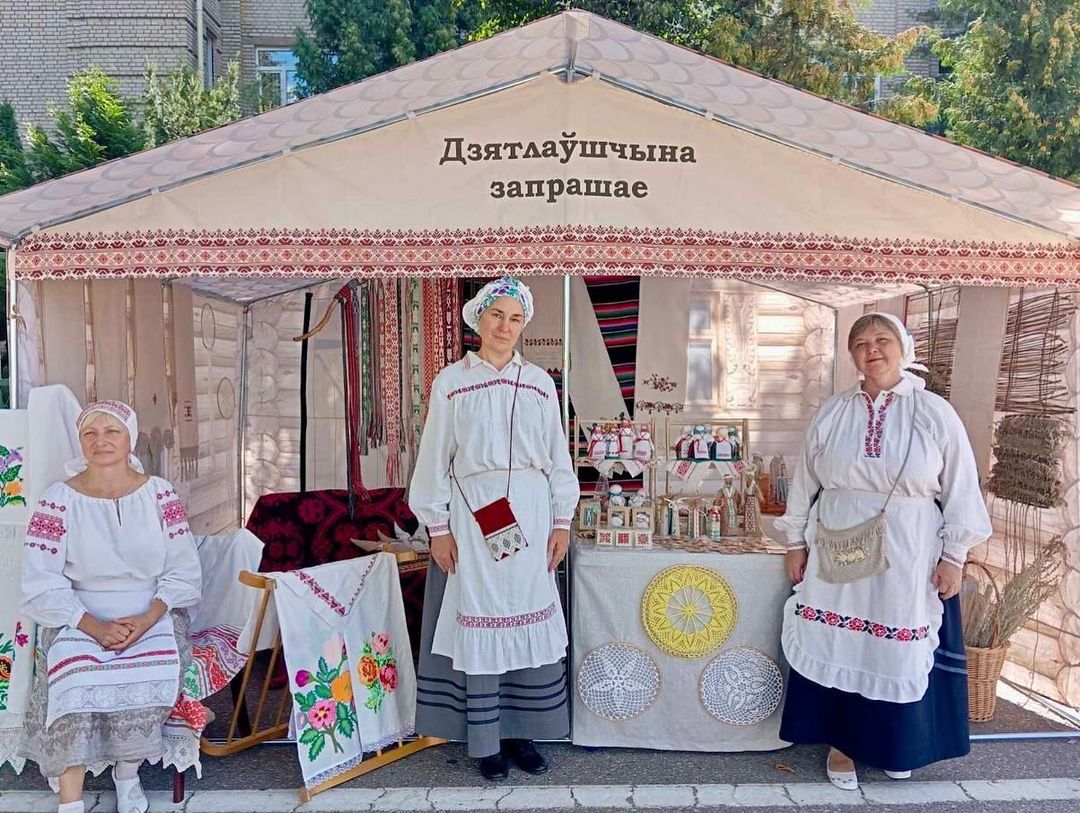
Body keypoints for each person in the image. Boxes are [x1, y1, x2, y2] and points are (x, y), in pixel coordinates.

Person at [775, 312, 991, 790]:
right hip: (838, 541)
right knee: (844, 640)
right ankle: (843, 747)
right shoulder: (833, 411)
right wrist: (794, 541)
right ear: (851, 355)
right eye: (860, 343)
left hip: (909, 548)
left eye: (882, 340)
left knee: (894, 647)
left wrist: (953, 556)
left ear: (903, 347)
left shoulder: (934, 412)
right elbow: (804, 480)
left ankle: (897, 745)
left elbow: (960, 487)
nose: (871, 349)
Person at [409, 277, 579, 781]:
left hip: (529, 510)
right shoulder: (453, 382)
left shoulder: (540, 383)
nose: (505, 327)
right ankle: (485, 742)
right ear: (477, 320)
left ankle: (522, 733)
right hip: (473, 511)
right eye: (496, 315)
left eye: (515, 318)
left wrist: (562, 521)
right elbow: (434, 458)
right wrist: (437, 527)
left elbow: (557, 455)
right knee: (481, 616)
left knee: (527, 616)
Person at [19, 400, 201, 813]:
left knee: (149, 667)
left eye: (112, 432)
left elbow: (184, 571)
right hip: (78, 616)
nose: (101, 441)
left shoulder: (159, 494)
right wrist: (93, 627)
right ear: (80, 441)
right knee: (75, 678)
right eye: (90, 433)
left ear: (130, 437)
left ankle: (127, 773)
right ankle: (71, 803)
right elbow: (39, 580)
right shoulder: (58, 500)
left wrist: (147, 617)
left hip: (152, 612)